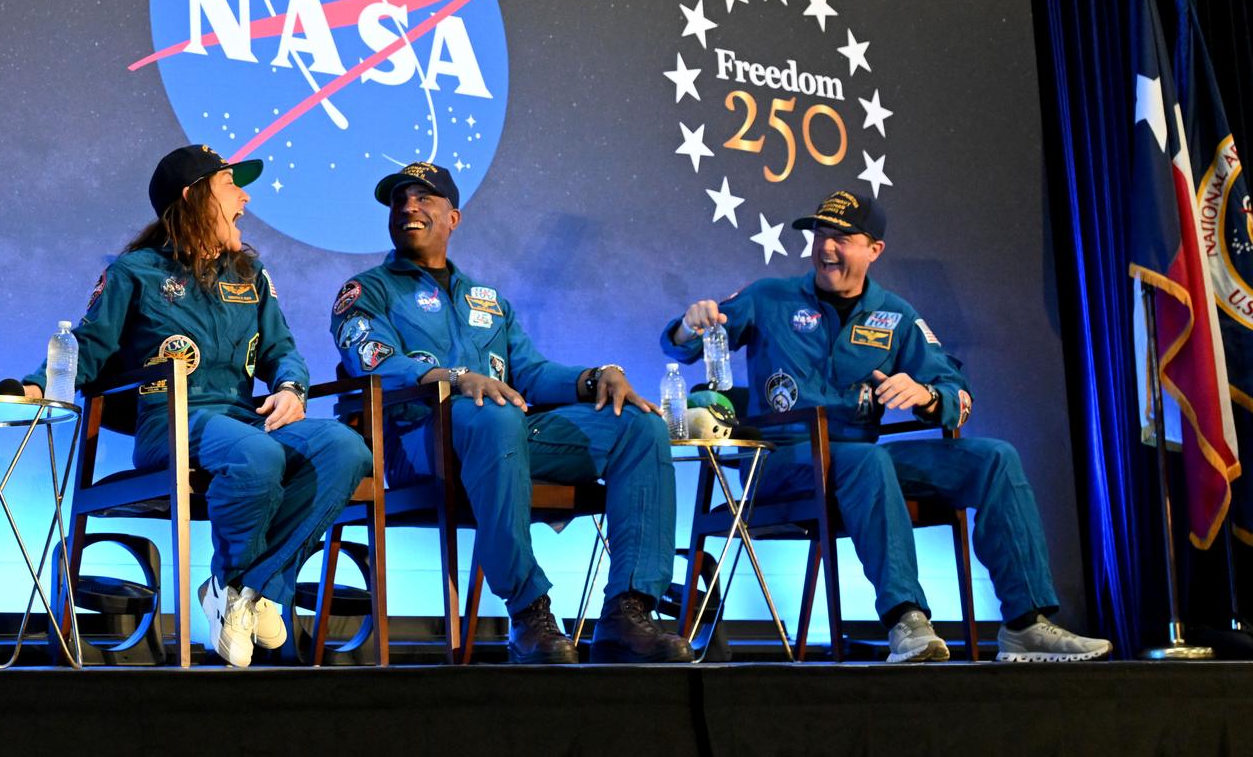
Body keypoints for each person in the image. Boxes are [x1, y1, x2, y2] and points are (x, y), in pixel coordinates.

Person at [667, 189, 1113, 663]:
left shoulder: (895, 315)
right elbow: (682, 347)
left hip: (860, 463)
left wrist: (927, 396)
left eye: (842, 238)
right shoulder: (768, 298)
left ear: (874, 250)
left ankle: (1025, 624)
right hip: (781, 463)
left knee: (995, 459)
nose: (826, 247)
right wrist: (689, 325)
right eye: (820, 234)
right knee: (869, 460)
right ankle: (906, 618)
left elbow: (956, 392)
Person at [24, 145, 373, 668]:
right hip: (168, 422)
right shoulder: (135, 272)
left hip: (241, 420)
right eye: (231, 185)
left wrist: (290, 388)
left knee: (346, 449)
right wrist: (34, 386)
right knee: (258, 455)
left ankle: (244, 588)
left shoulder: (250, 275)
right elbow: (88, 349)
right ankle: (251, 588)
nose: (245, 198)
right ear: (193, 197)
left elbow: (282, 350)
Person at [332, 162, 690, 664]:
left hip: (501, 437)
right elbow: (374, 361)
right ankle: (528, 612)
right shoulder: (366, 291)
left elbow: (532, 373)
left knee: (640, 424)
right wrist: (456, 378)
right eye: (399, 200)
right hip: (420, 441)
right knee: (496, 415)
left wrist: (595, 376)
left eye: (423, 198)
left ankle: (627, 614)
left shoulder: (488, 301)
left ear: (453, 217)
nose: (409, 207)